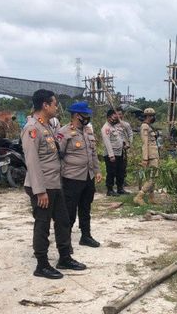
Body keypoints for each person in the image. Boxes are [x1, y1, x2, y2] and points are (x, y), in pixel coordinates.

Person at [22, 89, 86, 279]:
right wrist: (40, 191)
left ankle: (64, 257)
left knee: (63, 221)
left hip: (54, 184)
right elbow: (32, 162)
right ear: (45, 105)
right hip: (42, 186)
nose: (57, 107)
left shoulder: (47, 126)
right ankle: (41, 264)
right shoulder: (32, 128)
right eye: (55, 103)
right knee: (42, 224)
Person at [57, 102, 103, 249]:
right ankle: (66, 241)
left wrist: (97, 170)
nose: (87, 118)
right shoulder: (64, 132)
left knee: (85, 207)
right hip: (72, 177)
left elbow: (93, 153)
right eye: (85, 115)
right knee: (69, 211)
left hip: (88, 176)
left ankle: (86, 236)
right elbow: (58, 155)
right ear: (77, 115)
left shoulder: (88, 131)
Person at [133, 108, 159, 206]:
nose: (153, 117)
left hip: (154, 155)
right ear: (147, 116)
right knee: (152, 178)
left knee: (153, 177)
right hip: (150, 156)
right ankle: (139, 196)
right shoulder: (144, 126)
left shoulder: (149, 127)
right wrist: (145, 158)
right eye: (152, 115)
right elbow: (145, 143)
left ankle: (152, 198)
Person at [101, 109, 126, 196]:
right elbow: (107, 142)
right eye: (114, 117)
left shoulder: (114, 127)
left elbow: (119, 138)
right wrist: (111, 155)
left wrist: (124, 144)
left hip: (119, 153)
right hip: (111, 154)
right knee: (111, 172)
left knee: (120, 171)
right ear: (108, 117)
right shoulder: (106, 128)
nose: (116, 119)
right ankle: (110, 190)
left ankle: (120, 188)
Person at [116, 106, 133, 186]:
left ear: (122, 115)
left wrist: (129, 143)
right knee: (115, 165)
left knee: (123, 164)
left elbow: (130, 134)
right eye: (117, 114)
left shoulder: (126, 124)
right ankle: (116, 180)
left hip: (124, 147)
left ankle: (123, 180)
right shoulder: (112, 125)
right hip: (115, 148)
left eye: (120, 114)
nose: (119, 116)